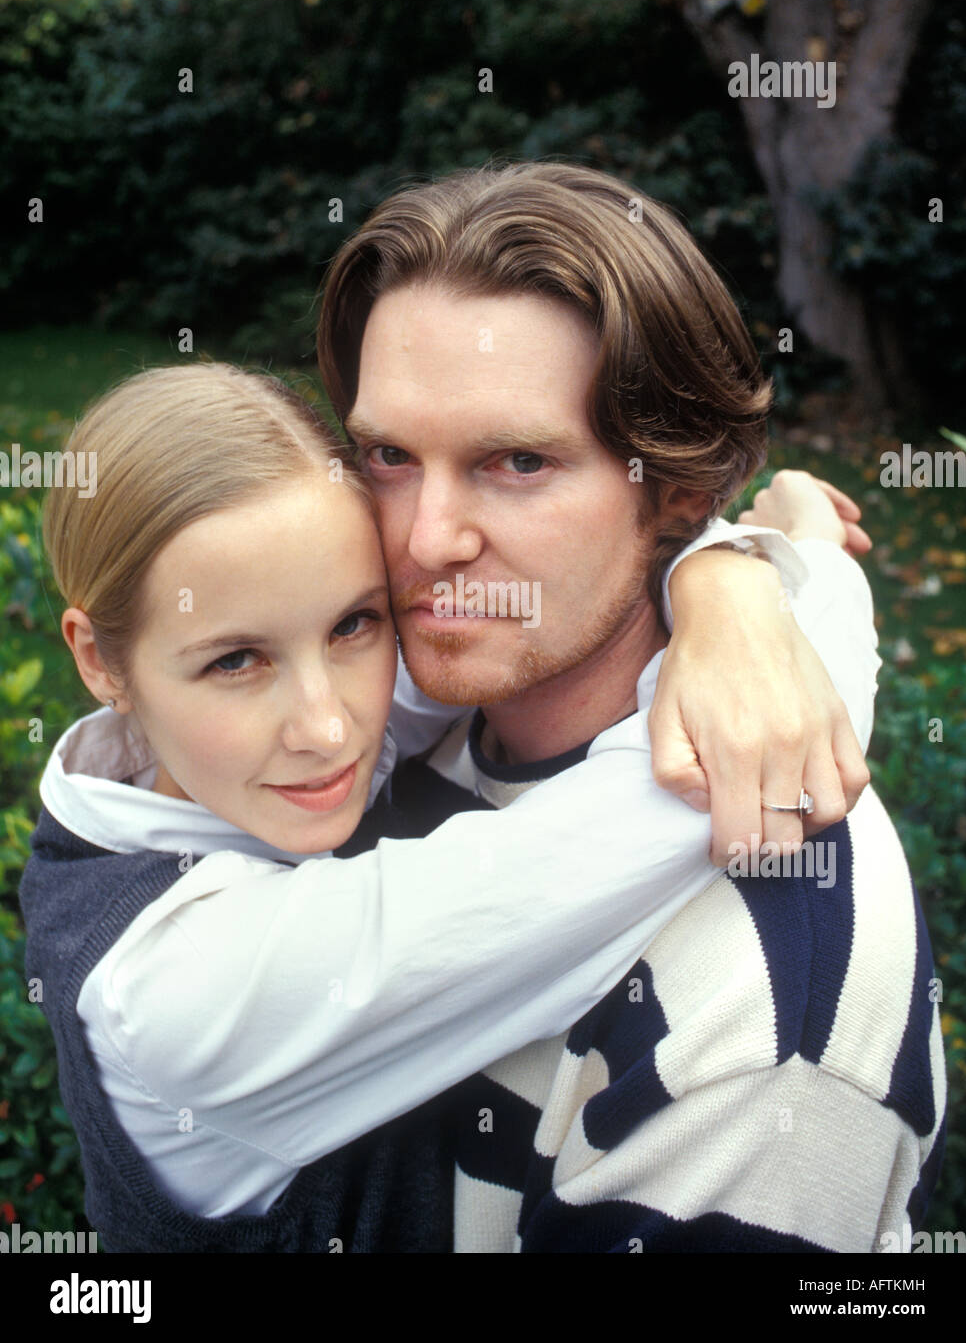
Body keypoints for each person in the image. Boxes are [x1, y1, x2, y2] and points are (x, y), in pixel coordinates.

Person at [22, 360, 866, 1252]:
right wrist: (804, 561)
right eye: (236, 661)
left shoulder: (203, 764)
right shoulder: (184, 989)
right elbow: (747, 759)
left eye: (355, 623)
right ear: (98, 660)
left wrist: (718, 577)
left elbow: (550, 607)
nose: (328, 726)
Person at [315, 160, 946, 1251]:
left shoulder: (761, 1001)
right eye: (387, 455)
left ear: (683, 492)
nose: (425, 540)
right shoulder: (379, 730)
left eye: (517, 460)